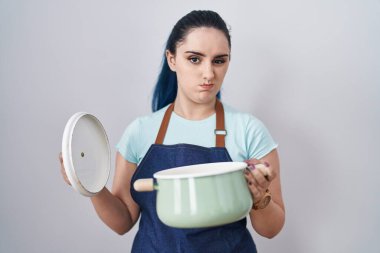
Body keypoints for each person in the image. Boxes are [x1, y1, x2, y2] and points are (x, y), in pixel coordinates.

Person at [59, 10, 285, 253]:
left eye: (219, 60)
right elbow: (122, 222)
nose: (209, 73)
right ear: (172, 59)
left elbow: (270, 229)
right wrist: (90, 185)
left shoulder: (249, 131)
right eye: (195, 59)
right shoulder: (139, 132)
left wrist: (260, 198)